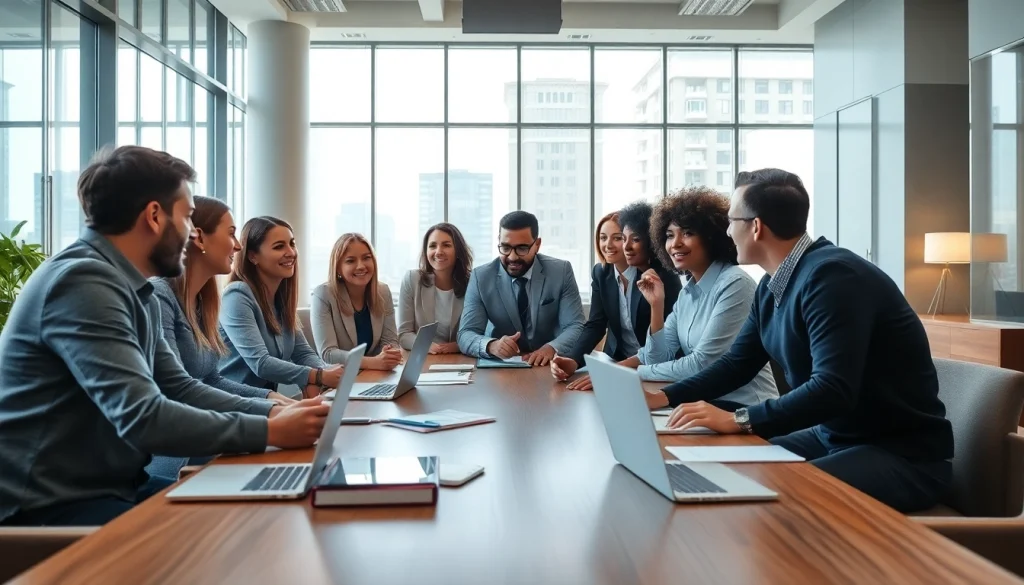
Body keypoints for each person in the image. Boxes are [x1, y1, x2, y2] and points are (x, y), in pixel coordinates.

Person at [0, 146, 330, 526]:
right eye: (188, 217)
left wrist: (275, 411)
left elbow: (180, 387)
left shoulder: (132, 288)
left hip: (111, 489)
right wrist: (269, 429)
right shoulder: (83, 282)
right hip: (51, 507)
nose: (192, 234)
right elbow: (143, 416)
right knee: (232, 535)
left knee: (255, 517)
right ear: (155, 216)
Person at [654, 169, 953, 513]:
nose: (726, 231)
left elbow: (832, 389)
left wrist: (739, 419)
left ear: (756, 226)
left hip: (899, 455)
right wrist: (662, 397)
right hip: (833, 438)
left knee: (773, 496)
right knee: (729, 468)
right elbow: (738, 364)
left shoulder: (833, 278)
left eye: (731, 220)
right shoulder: (771, 286)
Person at [147, 196, 297, 482]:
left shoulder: (205, 301)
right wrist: (270, 412)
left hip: (208, 448)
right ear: (199, 238)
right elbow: (178, 388)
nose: (238, 245)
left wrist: (273, 398)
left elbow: (211, 378)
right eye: (231, 234)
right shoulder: (159, 295)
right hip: (175, 464)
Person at [549, 205, 682, 390]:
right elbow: (596, 324)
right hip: (618, 360)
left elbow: (668, 338)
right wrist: (573, 359)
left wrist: (615, 371)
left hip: (655, 368)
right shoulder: (601, 273)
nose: (608, 245)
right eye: (603, 238)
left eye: (617, 238)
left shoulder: (660, 277)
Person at [219, 216, 343, 399]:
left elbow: (303, 353)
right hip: (234, 404)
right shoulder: (237, 295)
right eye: (279, 247)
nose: (291, 252)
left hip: (267, 402)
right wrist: (317, 376)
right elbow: (261, 363)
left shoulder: (280, 299)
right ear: (253, 256)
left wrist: (322, 375)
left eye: (292, 244)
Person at [458, 210, 584, 366]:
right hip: (502, 370)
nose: (512, 257)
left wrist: (551, 348)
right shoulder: (481, 277)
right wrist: (491, 345)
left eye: (522, 248)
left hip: (548, 366)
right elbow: (465, 334)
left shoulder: (561, 272)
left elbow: (576, 326)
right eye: (505, 247)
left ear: (537, 245)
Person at [310, 233, 402, 371]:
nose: (360, 266)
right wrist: (375, 363)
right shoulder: (323, 295)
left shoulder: (382, 291)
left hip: (375, 375)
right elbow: (328, 354)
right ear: (338, 268)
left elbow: (390, 341)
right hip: (340, 378)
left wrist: (389, 354)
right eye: (350, 261)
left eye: (366, 258)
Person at [398, 223, 473, 354]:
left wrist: (457, 346)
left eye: (446, 245)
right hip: (424, 359)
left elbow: (481, 332)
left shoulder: (473, 283)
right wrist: (425, 345)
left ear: (458, 250)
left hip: (461, 359)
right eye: (432, 246)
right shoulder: (412, 280)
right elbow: (404, 334)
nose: (438, 252)